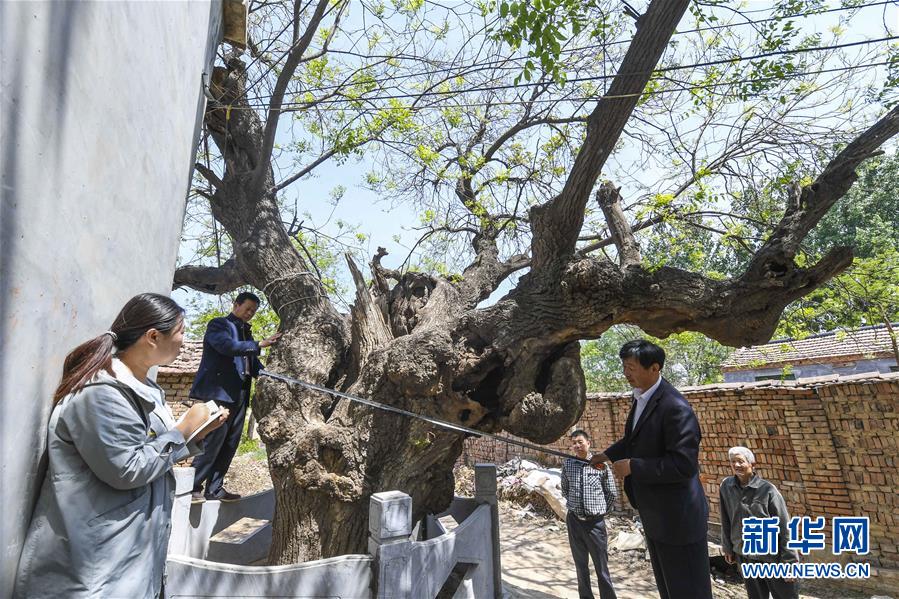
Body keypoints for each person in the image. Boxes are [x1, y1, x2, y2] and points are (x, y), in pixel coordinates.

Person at [14, 293, 228, 598]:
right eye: (180, 331)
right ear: (153, 337)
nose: (184, 340)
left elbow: (146, 455)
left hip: (127, 555)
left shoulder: (146, 388)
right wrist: (183, 429)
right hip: (94, 563)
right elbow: (126, 469)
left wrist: (197, 434)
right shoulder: (101, 393)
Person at [591, 339, 713, 599]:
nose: (626, 373)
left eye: (632, 367)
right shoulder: (642, 399)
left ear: (654, 368)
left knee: (689, 590)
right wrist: (608, 454)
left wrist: (634, 466)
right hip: (656, 515)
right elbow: (633, 440)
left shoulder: (675, 408)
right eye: (624, 366)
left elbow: (683, 464)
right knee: (669, 588)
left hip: (678, 520)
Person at [190, 291, 281, 501]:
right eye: (247, 308)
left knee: (231, 442)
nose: (250, 313)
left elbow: (252, 364)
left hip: (240, 393)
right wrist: (259, 344)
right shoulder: (219, 325)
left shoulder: (245, 333)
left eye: (253, 311)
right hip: (219, 393)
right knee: (213, 440)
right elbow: (227, 347)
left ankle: (215, 489)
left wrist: (268, 375)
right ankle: (192, 486)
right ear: (236, 304)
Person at [720, 446, 799, 599]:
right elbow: (725, 518)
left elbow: (785, 527)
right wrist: (728, 547)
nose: (736, 465)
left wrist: (789, 562)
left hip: (771, 556)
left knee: (785, 595)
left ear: (752, 464)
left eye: (741, 461)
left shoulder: (768, 490)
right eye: (733, 462)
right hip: (745, 554)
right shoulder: (726, 487)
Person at [561, 429, 619, 599]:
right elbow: (565, 489)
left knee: (602, 568)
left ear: (588, 443)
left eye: (580, 442)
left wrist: (599, 511)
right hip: (574, 521)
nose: (577, 445)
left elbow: (611, 493)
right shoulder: (569, 464)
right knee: (580, 566)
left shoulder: (600, 465)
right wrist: (575, 505)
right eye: (574, 443)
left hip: (595, 524)